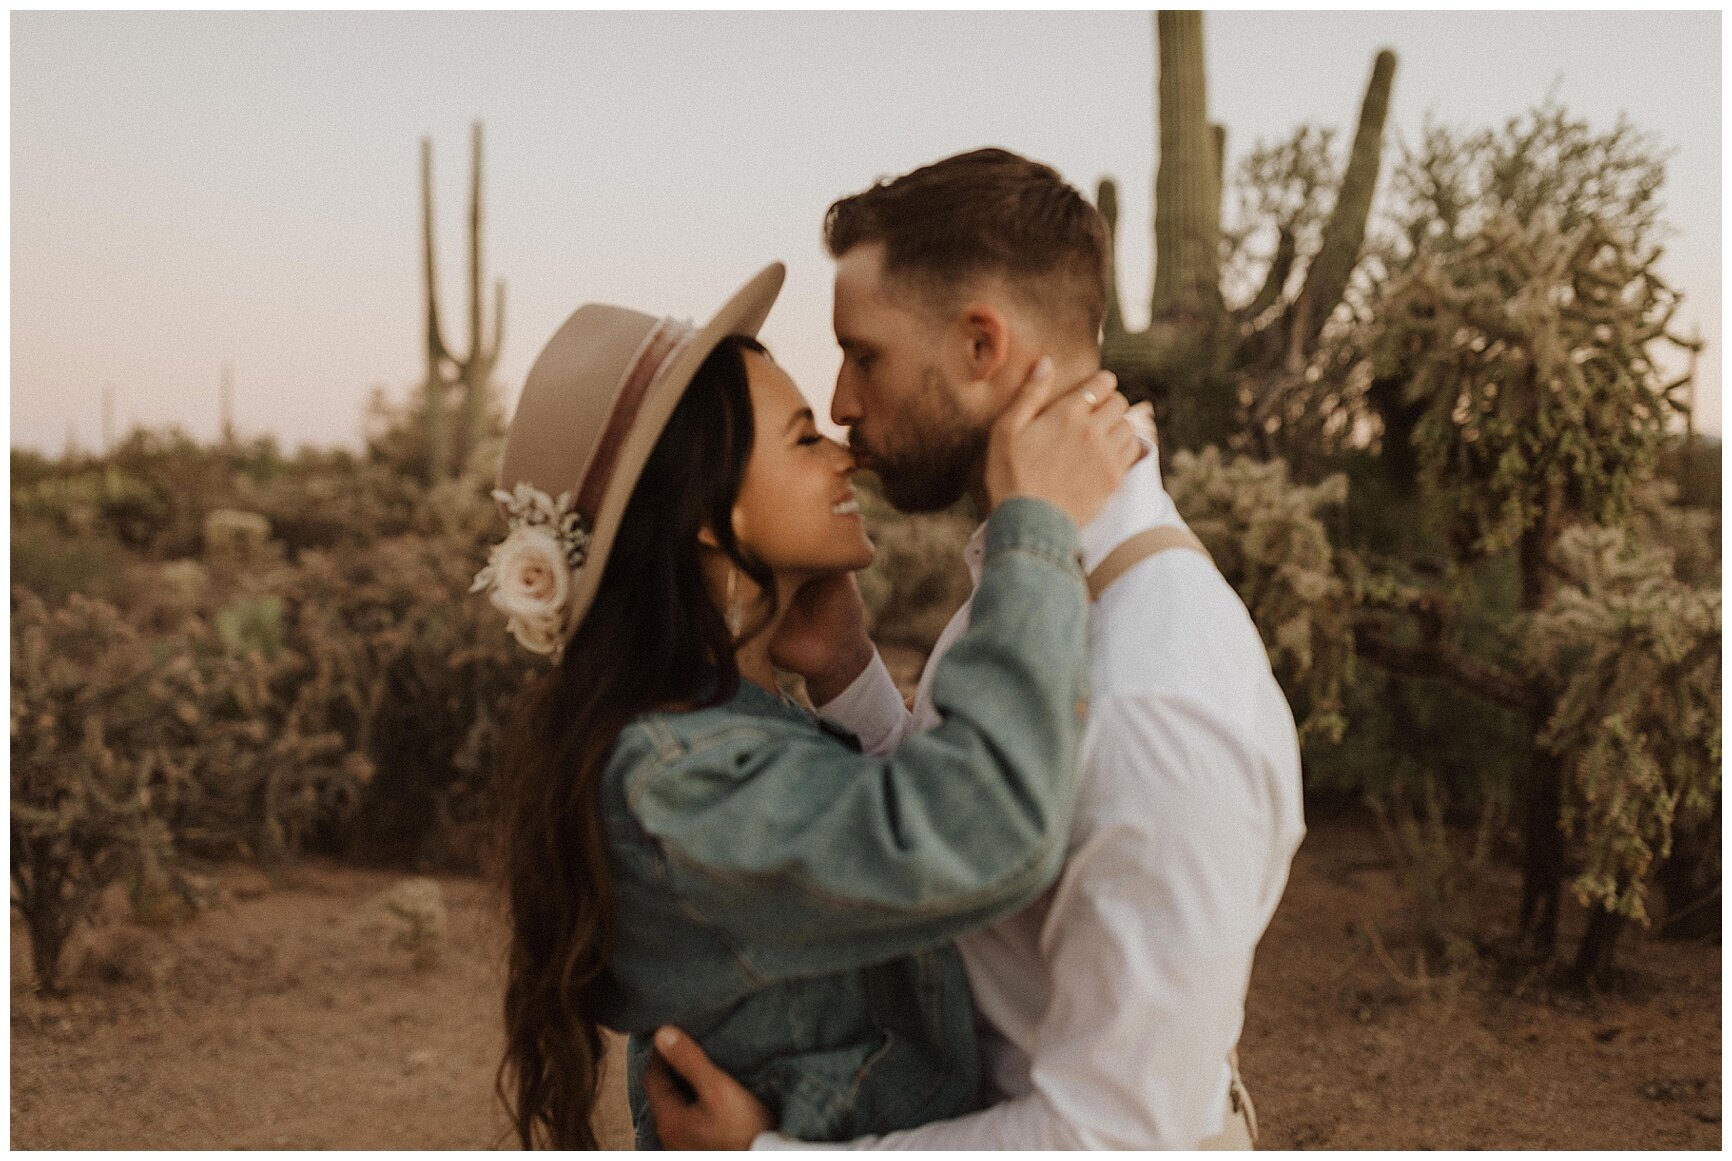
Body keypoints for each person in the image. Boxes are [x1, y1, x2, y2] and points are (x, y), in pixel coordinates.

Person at [644, 149, 1307, 1149]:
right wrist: (849, 677)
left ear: (979, 345)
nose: (843, 403)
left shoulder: (1156, 703)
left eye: (862, 353)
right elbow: (972, 875)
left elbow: (1111, 1139)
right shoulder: (1034, 572)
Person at [476, 262, 1140, 1148]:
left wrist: (842, 667)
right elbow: (981, 830)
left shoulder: (719, 735)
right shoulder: (675, 783)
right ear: (712, 517)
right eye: (801, 440)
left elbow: (873, 854)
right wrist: (1038, 523)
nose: (846, 451)